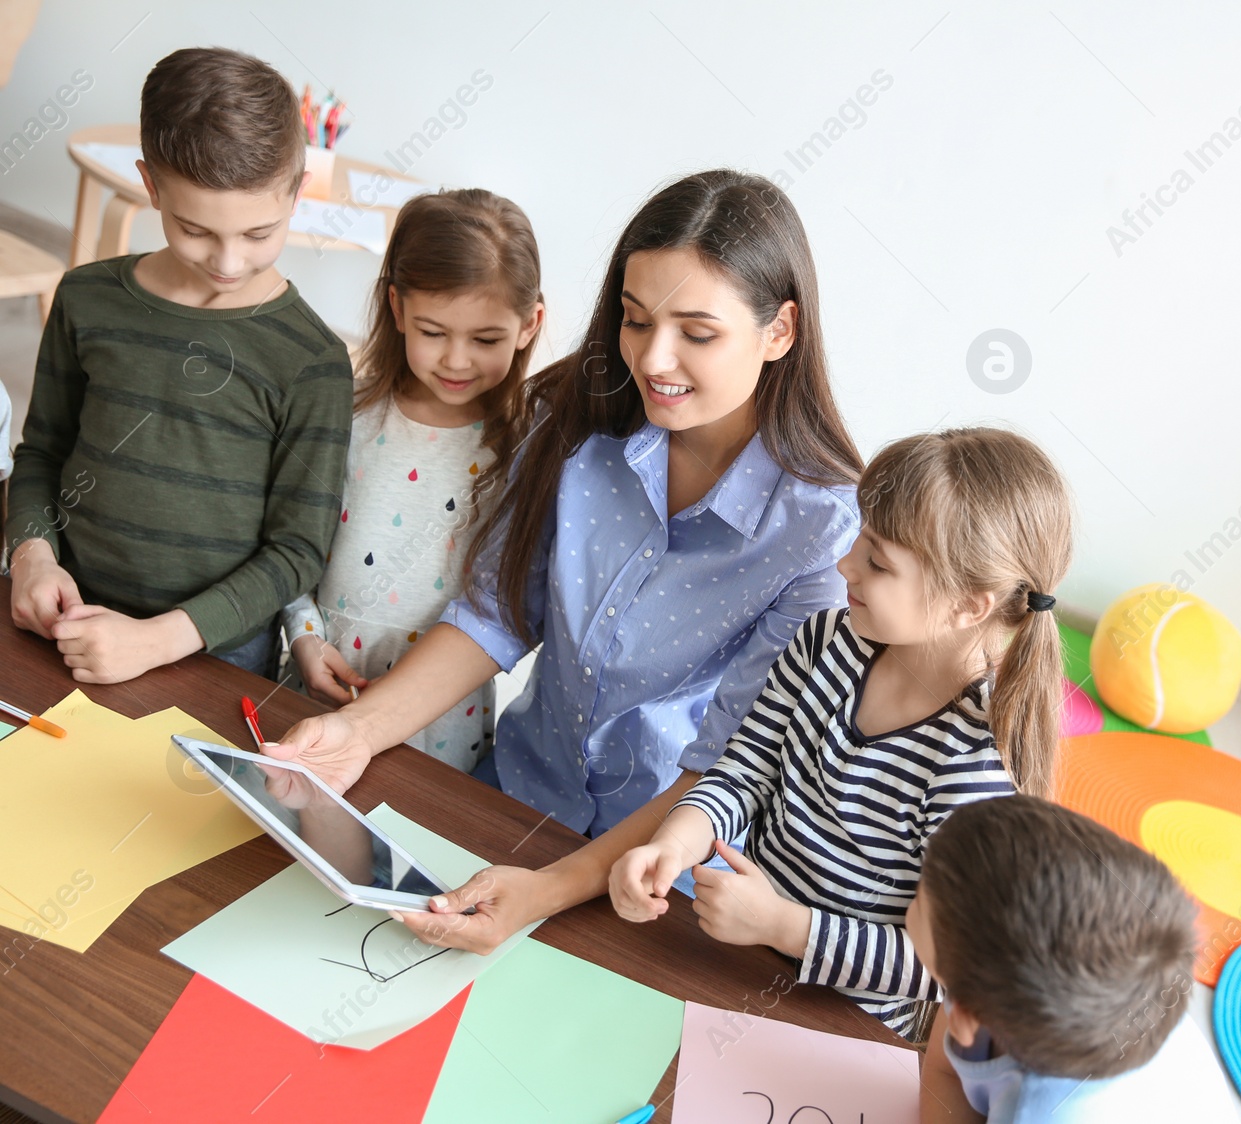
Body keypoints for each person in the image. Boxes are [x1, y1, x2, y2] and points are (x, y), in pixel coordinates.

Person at [265, 170, 862, 944]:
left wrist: (547, 892)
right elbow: (496, 614)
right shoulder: (578, 423)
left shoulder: (821, 533)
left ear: (779, 331)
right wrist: (360, 732)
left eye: (698, 332)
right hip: (513, 799)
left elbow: (731, 757)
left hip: (663, 876)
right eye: (636, 320)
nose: (655, 359)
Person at [610, 427, 1075, 1035]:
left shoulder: (976, 763)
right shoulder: (825, 639)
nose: (844, 564)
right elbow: (746, 771)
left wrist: (784, 925)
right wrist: (674, 845)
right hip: (738, 951)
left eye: (878, 562)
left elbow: (948, 968)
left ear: (968, 606)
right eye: (860, 537)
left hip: (851, 1019)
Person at [4, 47, 351, 681]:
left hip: (212, 657)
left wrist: (159, 641)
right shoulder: (85, 298)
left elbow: (297, 551)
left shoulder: (313, 361)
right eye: (195, 229)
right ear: (150, 185)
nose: (228, 261)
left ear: (296, 193)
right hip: (64, 624)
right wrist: (30, 554)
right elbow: (42, 452)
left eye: (257, 233)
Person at [283, 188, 544, 771]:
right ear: (398, 309)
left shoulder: (527, 448)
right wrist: (302, 635)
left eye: (485, 339)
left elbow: (512, 604)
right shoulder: (345, 413)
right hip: (319, 683)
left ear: (530, 325)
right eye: (433, 332)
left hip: (444, 723)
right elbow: (291, 538)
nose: (456, 360)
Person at [908, 796, 1197, 1122]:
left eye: (918, 897)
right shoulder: (992, 980)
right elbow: (943, 1073)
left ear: (966, 1017)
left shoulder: (1033, 1112)